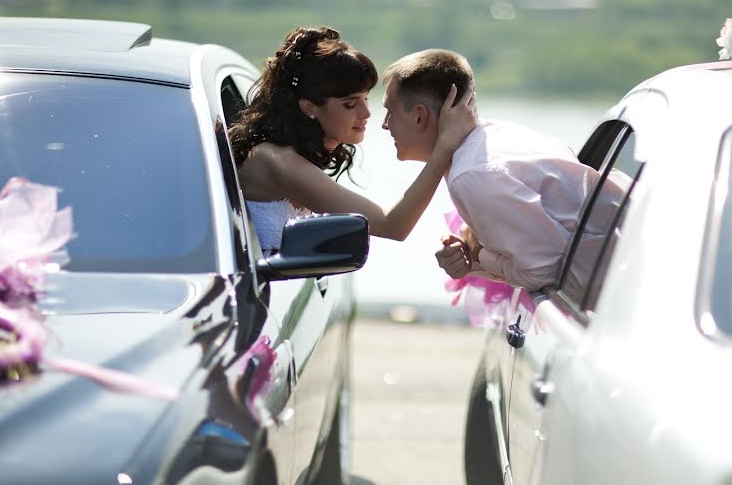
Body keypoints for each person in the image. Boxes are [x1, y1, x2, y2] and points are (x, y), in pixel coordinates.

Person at [381, 48, 613, 300]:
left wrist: (478, 255)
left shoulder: (471, 176)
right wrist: (474, 254)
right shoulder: (501, 136)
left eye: (390, 111)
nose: (384, 124)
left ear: (419, 116)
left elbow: (546, 273)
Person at [228, 26, 476, 254]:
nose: (366, 113)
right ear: (309, 107)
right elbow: (392, 226)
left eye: (365, 98)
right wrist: (443, 149)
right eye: (350, 104)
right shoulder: (277, 162)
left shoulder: (289, 156)